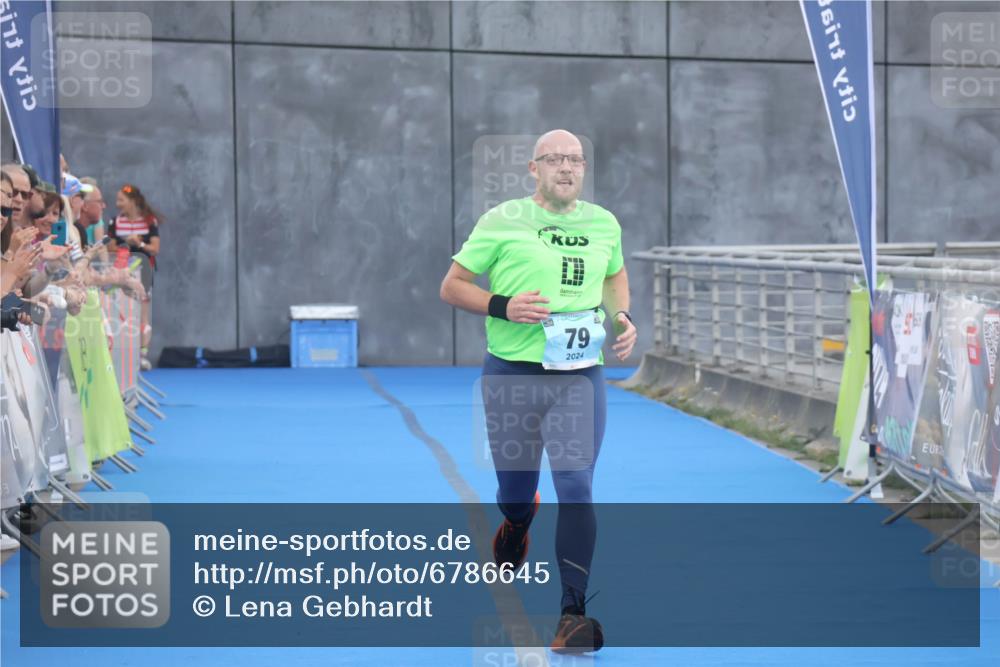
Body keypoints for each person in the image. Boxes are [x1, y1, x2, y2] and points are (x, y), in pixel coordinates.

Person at [440, 129, 636, 654]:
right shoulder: (502, 220)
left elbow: (615, 276)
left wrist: (621, 316)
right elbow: (452, 285)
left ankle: (573, 613)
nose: (568, 168)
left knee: (576, 487)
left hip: (579, 377)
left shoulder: (604, 223)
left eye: (576, 160)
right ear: (534, 169)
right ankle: (516, 520)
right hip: (512, 375)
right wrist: (504, 306)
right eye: (556, 160)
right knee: (513, 492)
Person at [108, 183, 161, 369]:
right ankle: (124, 355)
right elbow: (109, 247)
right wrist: (125, 244)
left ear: (132, 201)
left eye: (121, 200)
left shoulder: (149, 221)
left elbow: (155, 248)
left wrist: (139, 244)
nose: (117, 203)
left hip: (144, 269)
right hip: (122, 270)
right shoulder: (115, 222)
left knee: (143, 314)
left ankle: (142, 355)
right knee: (122, 311)